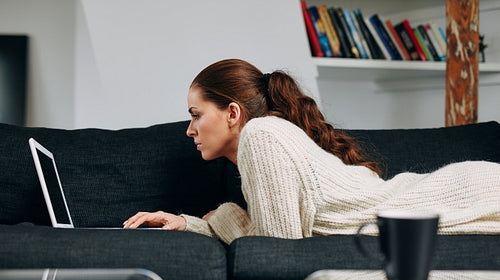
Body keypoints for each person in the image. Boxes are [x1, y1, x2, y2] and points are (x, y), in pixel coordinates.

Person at [123, 59, 500, 244]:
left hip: (463, 196)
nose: (189, 129)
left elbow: (277, 253)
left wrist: (221, 216)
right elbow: (276, 237)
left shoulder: (263, 135)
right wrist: (189, 223)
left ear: (232, 113)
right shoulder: (268, 138)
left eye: (196, 115)